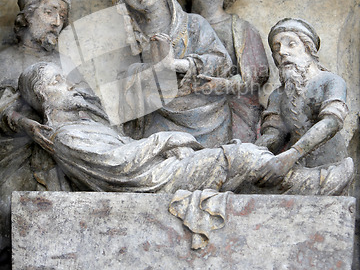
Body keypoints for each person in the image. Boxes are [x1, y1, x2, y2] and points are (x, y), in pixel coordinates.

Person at [17, 61, 354, 197]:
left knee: (242, 158)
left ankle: (304, 184)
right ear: (41, 95)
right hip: (154, 181)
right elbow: (117, 163)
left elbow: (122, 150)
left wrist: (169, 148)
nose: (70, 85)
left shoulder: (86, 126)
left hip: (160, 170)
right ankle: (316, 186)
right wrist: (166, 139)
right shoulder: (67, 136)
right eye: (57, 81)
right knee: (241, 156)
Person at [0, 0, 90, 270]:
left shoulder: (66, 65)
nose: (56, 22)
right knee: (9, 211)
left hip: (57, 154)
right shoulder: (4, 59)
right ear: (27, 14)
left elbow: (85, 106)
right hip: (13, 150)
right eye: (50, 12)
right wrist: (23, 122)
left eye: (62, 17)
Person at [107, 0, 233, 147]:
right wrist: (147, 72)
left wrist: (177, 65)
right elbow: (119, 90)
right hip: (155, 123)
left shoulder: (194, 24)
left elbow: (222, 62)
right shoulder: (131, 42)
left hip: (206, 117)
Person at [181, 0, 269, 142]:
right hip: (179, 110)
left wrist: (225, 85)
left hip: (227, 112)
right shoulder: (176, 24)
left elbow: (257, 75)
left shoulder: (241, 29)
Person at [255, 18, 350, 186]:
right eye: (277, 49)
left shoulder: (331, 81)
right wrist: (251, 155)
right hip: (292, 169)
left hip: (328, 169)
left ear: (308, 49)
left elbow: (332, 122)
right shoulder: (278, 95)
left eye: (291, 44)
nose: (282, 52)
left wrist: (291, 155)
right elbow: (274, 135)